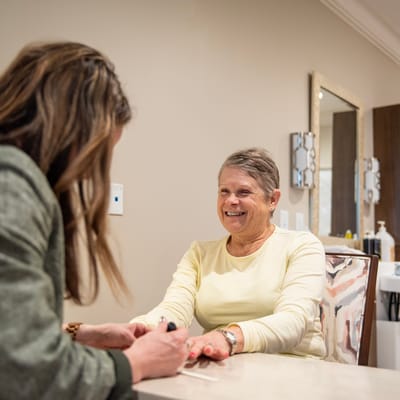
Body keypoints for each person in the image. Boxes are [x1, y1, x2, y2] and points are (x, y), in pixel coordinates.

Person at [0, 41, 188, 400]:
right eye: (99, 154)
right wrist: (137, 363)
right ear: (73, 128)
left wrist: (77, 334)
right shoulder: (11, 182)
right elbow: (20, 369)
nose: (90, 174)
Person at [131, 147, 326, 361]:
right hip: (223, 367)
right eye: (224, 191)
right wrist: (141, 329)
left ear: (273, 199)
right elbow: (174, 308)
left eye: (243, 192)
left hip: (294, 369)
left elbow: (293, 321)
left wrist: (228, 338)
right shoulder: (199, 253)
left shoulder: (303, 246)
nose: (230, 201)